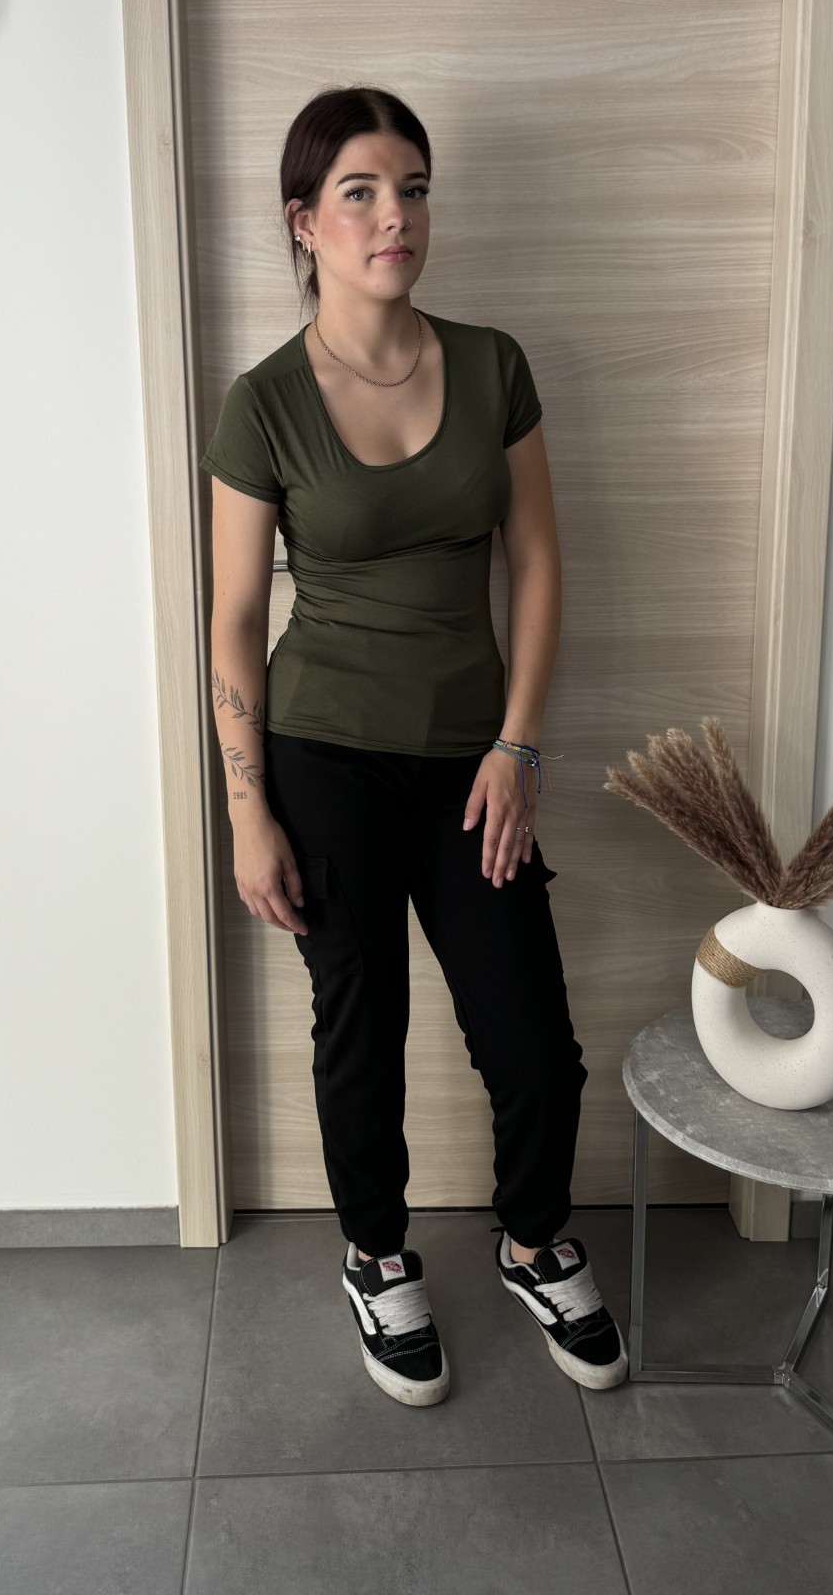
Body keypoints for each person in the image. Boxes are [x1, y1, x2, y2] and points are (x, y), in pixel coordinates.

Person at [200, 85, 627, 1408]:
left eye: (414, 189)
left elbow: (538, 562)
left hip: (473, 764)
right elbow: (233, 621)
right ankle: (377, 1256)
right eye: (362, 193)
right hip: (321, 753)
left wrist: (519, 747)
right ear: (304, 222)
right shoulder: (264, 403)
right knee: (362, 1027)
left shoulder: (494, 365)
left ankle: (532, 1240)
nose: (396, 217)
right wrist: (247, 811)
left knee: (533, 1038)